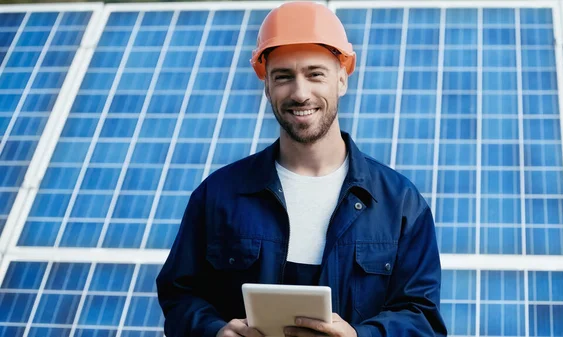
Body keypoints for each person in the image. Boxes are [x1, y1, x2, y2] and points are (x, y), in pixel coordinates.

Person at [156, 2, 447, 336]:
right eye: (283, 77)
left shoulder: (400, 204)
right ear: (266, 86)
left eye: (314, 74)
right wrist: (214, 331)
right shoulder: (218, 195)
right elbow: (180, 297)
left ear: (342, 79)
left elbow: (423, 319)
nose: (299, 92)